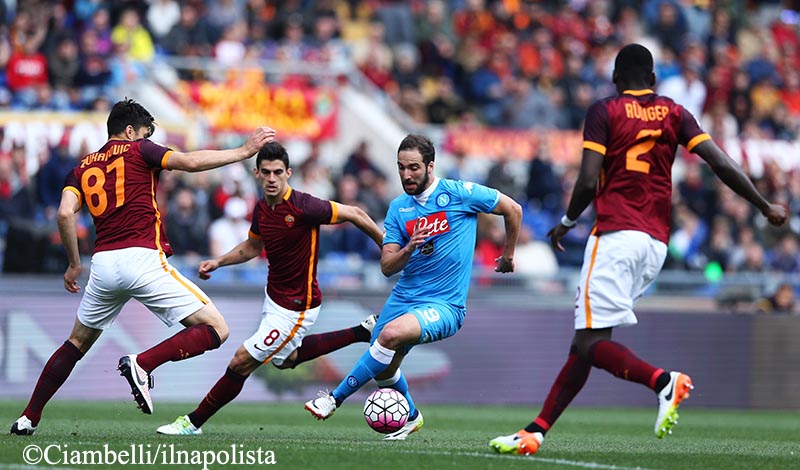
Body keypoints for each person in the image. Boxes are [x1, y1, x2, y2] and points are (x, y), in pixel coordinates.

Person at [489, 43, 787, 455]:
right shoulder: (674, 112)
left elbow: (589, 179)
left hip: (616, 235)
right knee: (586, 343)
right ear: (652, 79)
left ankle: (663, 381)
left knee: (591, 343)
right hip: (655, 245)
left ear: (615, 79)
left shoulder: (604, 111)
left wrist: (568, 221)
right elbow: (719, 162)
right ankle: (535, 431)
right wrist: (764, 205)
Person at [10, 98, 275, 435]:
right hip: (142, 258)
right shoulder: (140, 151)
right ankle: (143, 363)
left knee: (75, 343)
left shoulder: (81, 169)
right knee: (217, 330)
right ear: (131, 130)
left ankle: (28, 417)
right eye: (145, 133)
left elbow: (64, 214)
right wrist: (242, 151)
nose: (146, 138)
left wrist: (74, 263)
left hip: (102, 265)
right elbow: (189, 162)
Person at [156, 141, 385, 435]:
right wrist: (219, 261)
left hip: (297, 307)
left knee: (241, 361)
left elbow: (356, 213)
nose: (272, 178)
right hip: (274, 298)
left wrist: (385, 245)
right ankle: (361, 332)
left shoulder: (305, 206)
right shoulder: (262, 208)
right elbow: (253, 246)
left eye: (278, 172)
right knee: (285, 359)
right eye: (266, 172)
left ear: (288, 173)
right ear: (257, 174)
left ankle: (192, 422)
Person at [305, 134, 522, 440]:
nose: (406, 175)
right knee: (382, 365)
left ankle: (333, 399)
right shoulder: (398, 209)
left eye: (414, 168)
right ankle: (411, 415)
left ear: (430, 166)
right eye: (401, 168)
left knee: (389, 336)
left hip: (445, 305)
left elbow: (513, 209)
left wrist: (509, 254)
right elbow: (387, 266)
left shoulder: (460, 193)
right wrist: (409, 248)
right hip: (405, 295)